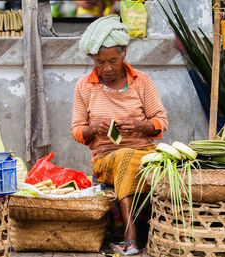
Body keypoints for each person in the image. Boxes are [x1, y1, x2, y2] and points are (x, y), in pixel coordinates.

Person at [71, 15, 168, 255]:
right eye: (99, 62)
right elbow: (76, 130)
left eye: (112, 61)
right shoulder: (84, 86)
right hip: (105, 158)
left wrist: (138, 126)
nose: (106, 68)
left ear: (124, 54)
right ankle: (130, 234)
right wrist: (94, 129)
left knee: (133, 157)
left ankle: (139, 231)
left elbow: (161, 122)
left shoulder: (142, 82)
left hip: (145, 154)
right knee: (123, 156)